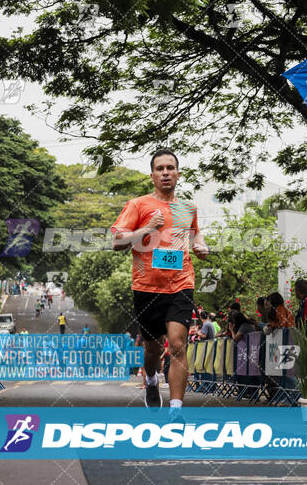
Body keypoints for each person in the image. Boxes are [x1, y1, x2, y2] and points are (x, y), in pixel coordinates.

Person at [111, 148, 209, 418]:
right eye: (160, 169)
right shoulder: (138, 205)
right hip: (146, 287)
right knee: (152, 348)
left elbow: (194, 235)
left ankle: (176, 410)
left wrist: (201, 246)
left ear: (178, 174)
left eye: (170, 168)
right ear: (152, 175)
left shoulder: (188, 208)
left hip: (181, 283)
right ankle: (152, 380)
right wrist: (146, 230)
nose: (165, 173)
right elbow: (117, 242)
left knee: (178, 344)